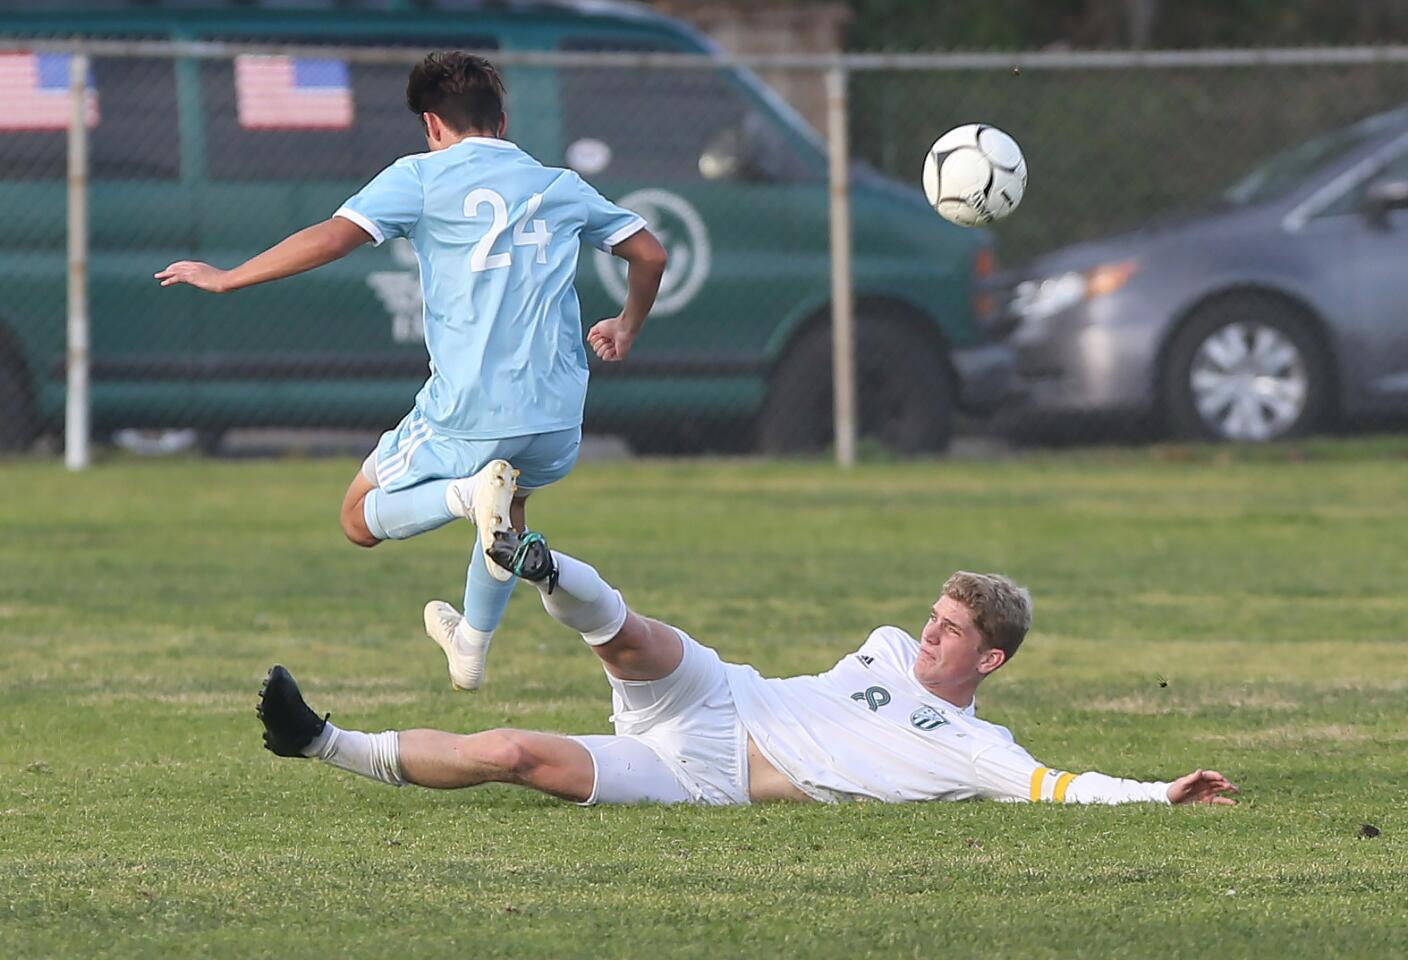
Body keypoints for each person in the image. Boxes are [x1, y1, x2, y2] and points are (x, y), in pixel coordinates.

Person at [156, 53, 668, 691]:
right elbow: (649, 253)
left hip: (468, 413)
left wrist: (230, 277)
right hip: (556, 416)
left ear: (432, 124)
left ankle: (461, 495)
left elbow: (334, 236)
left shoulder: (421, 177)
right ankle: (471, 649)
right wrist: (626, 325)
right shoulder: (558, 183)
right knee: (507, 517)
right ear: (503, 121)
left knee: (357, 516)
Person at [256, 529, 1239, 808]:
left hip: (708, 776)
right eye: (933, 617)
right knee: (634, 637)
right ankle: (536, 560)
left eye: (951, 633)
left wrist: (1158, 794)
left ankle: (321, 742)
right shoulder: (889, 647)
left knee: (515, 753)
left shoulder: (978, 746)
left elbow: (1055, 786)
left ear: (991, 658)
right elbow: (893, 652)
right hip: (727, 692)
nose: (928, 635)